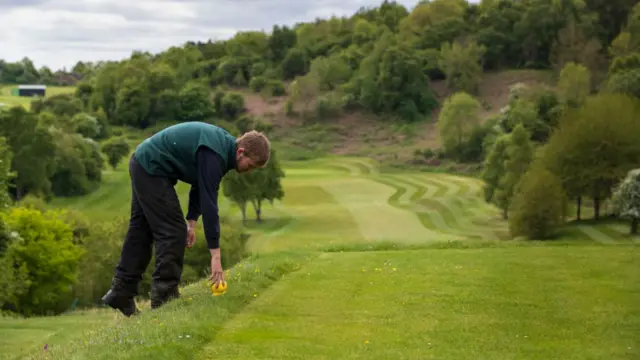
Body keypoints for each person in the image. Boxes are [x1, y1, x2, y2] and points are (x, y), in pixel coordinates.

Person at [101, 121, 270, 317]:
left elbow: (200, 185)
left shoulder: (222, 151)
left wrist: (191, 222)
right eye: (251, 165)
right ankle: (164, 298)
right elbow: (209, 205)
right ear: (241, 152)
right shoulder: (215, 155)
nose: (250, 171)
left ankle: (121, 292)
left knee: (141, 231)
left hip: (143, 162)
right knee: (172, 232)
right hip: (150, 168)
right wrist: (215, 256)